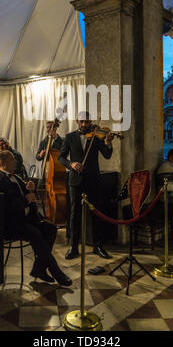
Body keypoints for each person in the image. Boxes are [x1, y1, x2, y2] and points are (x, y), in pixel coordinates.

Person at [0, 150, 72, 286]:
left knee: (51, 228)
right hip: (11, 225)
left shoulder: (17, 177)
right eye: (11, 160)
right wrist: (25, 200)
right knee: (36, 234)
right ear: (2, 163)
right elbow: (2, 209)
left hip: (26, 220)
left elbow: (25, 197)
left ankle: (39, 269)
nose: (15, 162)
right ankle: (57, 273)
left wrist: (29, 189)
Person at [58, 111, 114, 260]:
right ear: (77, 121)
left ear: (91, 122)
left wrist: (108, 142)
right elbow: (61, 157)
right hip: (75, 180)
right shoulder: (70, 137)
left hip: (94, 180)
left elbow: (107, 155)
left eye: (87, 122)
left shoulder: (96, 136)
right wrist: (71, 164)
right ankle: (73, 247)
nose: (84, 124)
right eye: (82, 121)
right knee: (74, 214)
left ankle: (98, 246)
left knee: (96, 213)